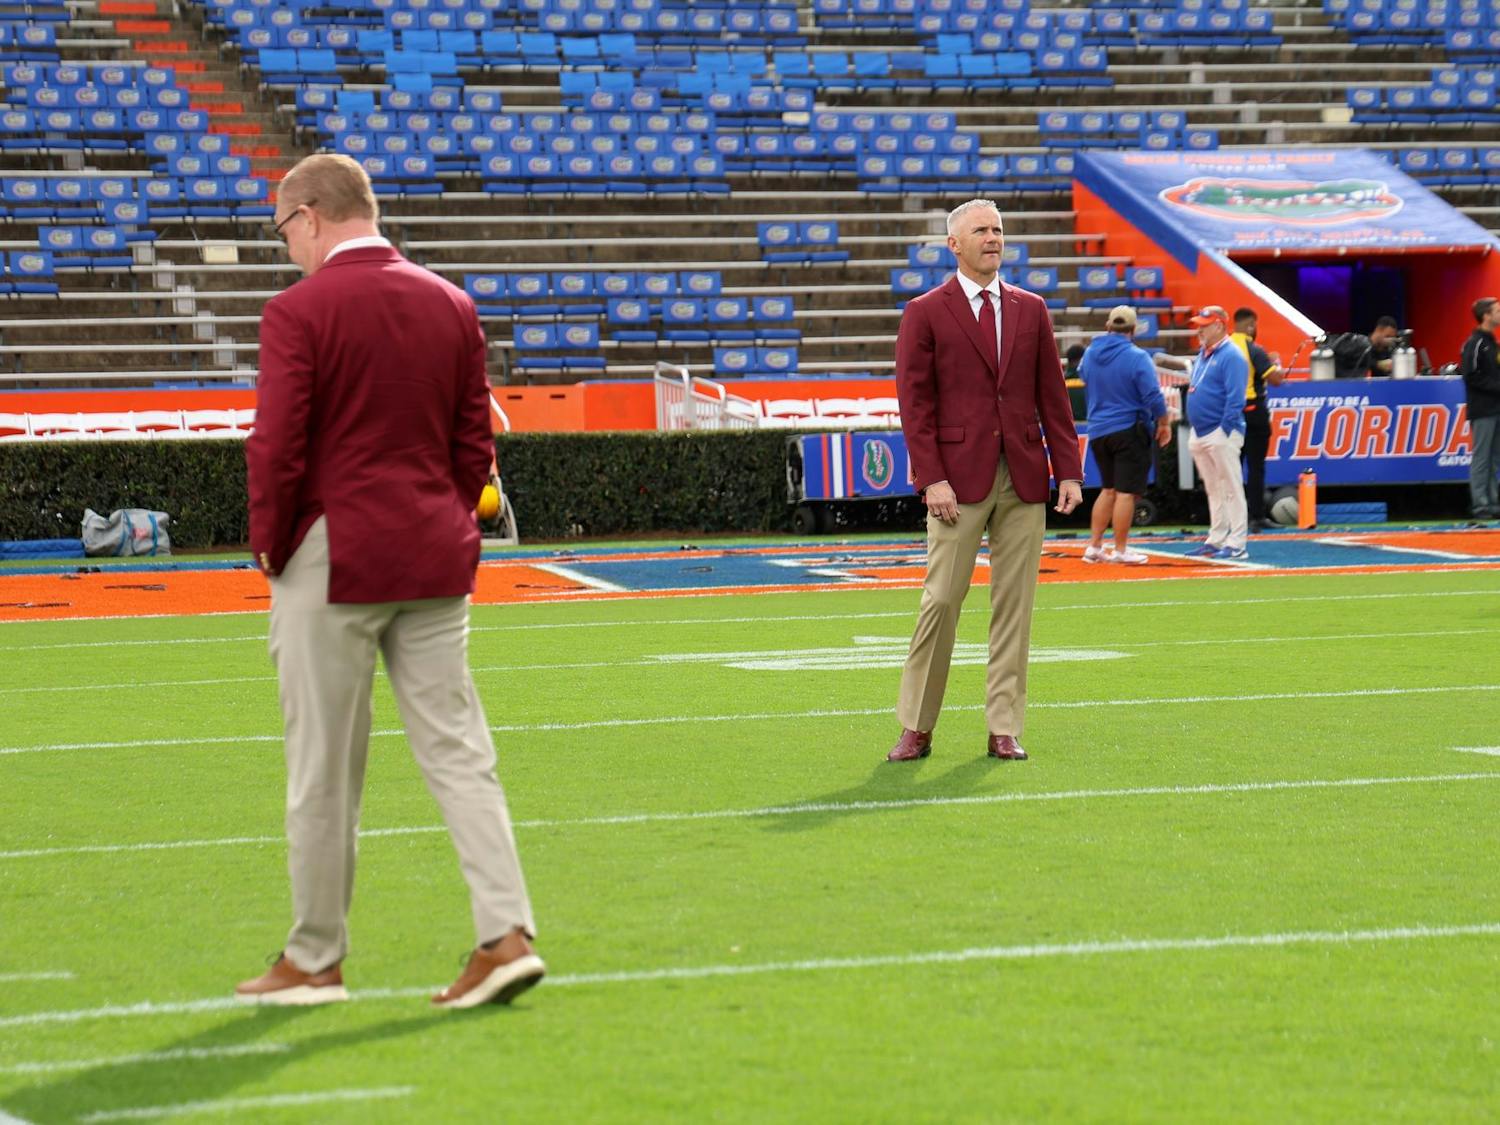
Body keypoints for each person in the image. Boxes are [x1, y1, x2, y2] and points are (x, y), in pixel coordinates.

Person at [239, 154, 543, 1010]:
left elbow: (277, 445)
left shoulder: (299, 309)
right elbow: (473, 448)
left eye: (283, 228)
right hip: (433, 551)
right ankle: (506, 932)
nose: (286, 245)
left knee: (324, 767)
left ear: (309, 215)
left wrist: (271, 545)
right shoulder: (451, 303)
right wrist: (446, 522)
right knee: (461, 752)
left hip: (334, 550)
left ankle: (315, 956)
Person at [886, 199, 1083, 764]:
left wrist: (1068, 469)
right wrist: (932, 478)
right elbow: (914, 404)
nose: (993, 238)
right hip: (955, 482)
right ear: (954, 244)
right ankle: (917, 726)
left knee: (1015, 607)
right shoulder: (925, 311)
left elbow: (1053, 396)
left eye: (998, 230)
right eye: (981, 231)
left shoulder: (1031, 308)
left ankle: (1004, 727)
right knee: (942, 600)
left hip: (1024, 476)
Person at [1078, 305, 1171, 565]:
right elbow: (1152, 395)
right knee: (1125, 493)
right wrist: (1164, 422)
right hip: (1128, 427)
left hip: (1098, 429)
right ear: (1133, 330)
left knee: (1108, 490)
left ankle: (1094, 546)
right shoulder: (1137, 356)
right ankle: (1120, 549)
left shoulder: (1090, 353)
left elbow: (1083, 375)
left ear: (1108, 327)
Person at [1184, 306, 1250, 560]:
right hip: (1202, 431)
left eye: (1204, 325)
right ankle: (1217, 538)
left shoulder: (1231, 355)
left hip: (1220, 432)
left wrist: (1224, 429)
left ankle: (1237, 543)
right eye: (1199, 325)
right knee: (1214, 488)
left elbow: (1236, 398)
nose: (1199, 330)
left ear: (1220, 325)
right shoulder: (1205, 353)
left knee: (1231, 487)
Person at [1230, 307, 1284, 531]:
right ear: (1251, 325)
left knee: (1231, 468)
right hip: (1253, 411)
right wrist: (1277, 363)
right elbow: (1276, 379)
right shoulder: (1254, 349)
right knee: (1255, 467)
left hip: (1230, 413)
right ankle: (1256, 517)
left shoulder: (1224, 347)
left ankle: (1232, 518)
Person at [1460, 297, 1500, 522]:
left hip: (1495, 407)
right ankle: (1480, 504)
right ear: (1486, 315)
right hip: (1483, 409)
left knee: (1494, 458)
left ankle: (1492, 503)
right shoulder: (1475, 343)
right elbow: (1471, 376)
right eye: (1497, 311)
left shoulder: (1492, 342)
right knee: (1482, 458)